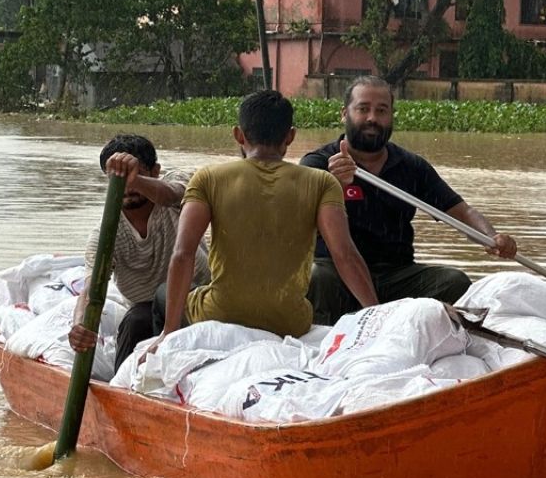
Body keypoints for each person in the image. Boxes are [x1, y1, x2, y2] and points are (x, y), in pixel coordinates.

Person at [145, 89, 379, 359]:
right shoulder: (322, 182)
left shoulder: (208, 178)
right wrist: (377, 315)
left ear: (238, 135)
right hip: (289, 321)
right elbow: (345, 254)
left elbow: (183, 253)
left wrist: (169, 331)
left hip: (221, 313)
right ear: (290, 136)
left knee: (162, 294)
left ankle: (163, 357)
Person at [300, 75, 518, 325]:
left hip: (396, 275)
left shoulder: (411, 167)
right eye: (363, 109)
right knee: (316, 277)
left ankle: (407, 326)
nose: (372, 118)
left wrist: (492, 237)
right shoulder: (318, 164)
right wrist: (337, 185)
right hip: (337, 274)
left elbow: (462, 212)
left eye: (381, 110)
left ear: (392, 115)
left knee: (454, 281)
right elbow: (300, 223)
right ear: (344, 114)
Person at [67, 135, 209, 369]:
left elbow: (172, 193)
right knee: (136, 320)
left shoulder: (176, 189)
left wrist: (135, 180)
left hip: (199, 299)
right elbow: (92, 289)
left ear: (155, 172)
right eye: (116, 179)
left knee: (165, 298)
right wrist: (79, 324)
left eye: (137, 174)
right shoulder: (106, 234)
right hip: (145, 313)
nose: (127, 186)